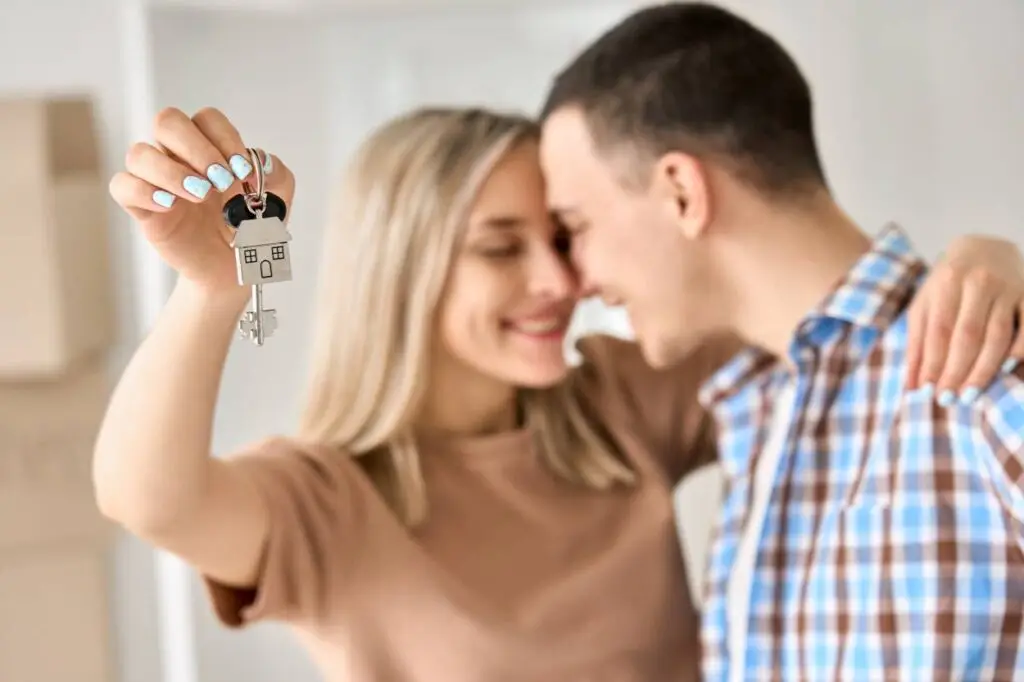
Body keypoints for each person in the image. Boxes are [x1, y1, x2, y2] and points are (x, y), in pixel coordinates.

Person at [93, 103, 1020, 682]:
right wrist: (218, 287)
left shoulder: (620, 399)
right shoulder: (324, 502)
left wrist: (982, 262)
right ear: (400, 272)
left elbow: (824, 319)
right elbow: (146, 497)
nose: (559, 280)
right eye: (502, 247)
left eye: (564, 237)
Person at [537, 2, 1024, 681]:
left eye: (576, 226)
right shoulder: (755, 415)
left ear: (680, 190)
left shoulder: (984, 365)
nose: (576, 278)